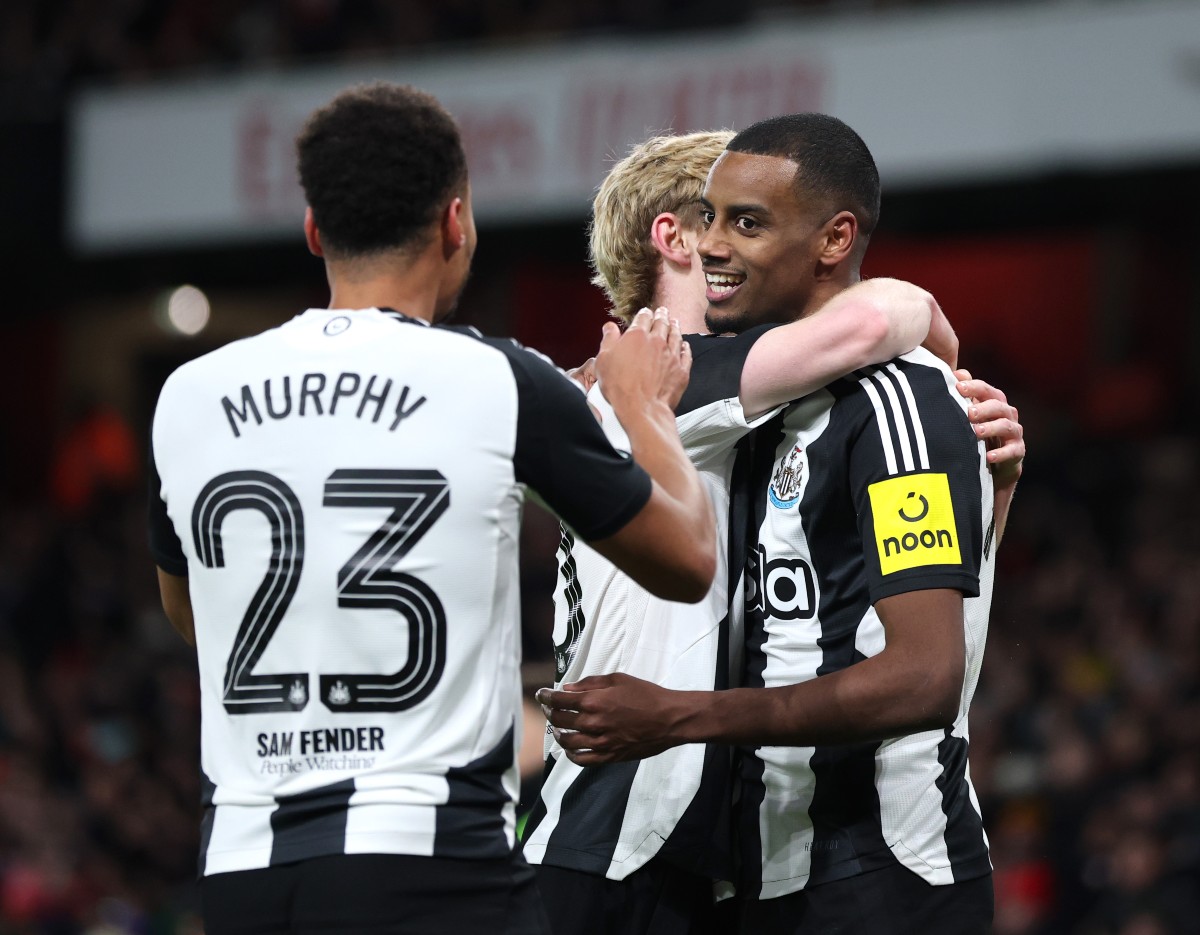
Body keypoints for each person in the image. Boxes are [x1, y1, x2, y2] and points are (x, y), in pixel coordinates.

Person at [146, 82, 720, 935]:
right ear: (456, 223)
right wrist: (647, 412)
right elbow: (687, 559)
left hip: (243, 871)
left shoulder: (188, 395)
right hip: (435, 868)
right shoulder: (498, 377)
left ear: (314, 231)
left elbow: (194, 614)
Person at [529, 128, 1022, 933]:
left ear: (828, 235)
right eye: (712, 217)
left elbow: (925, 654)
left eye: (749, 222)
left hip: (861, 864)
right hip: (628, 846)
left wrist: (995, 482)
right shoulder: (645, 388)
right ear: (674, 234)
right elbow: (867, 325)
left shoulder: (822, 406)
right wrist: (914, 306)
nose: (724, 244)